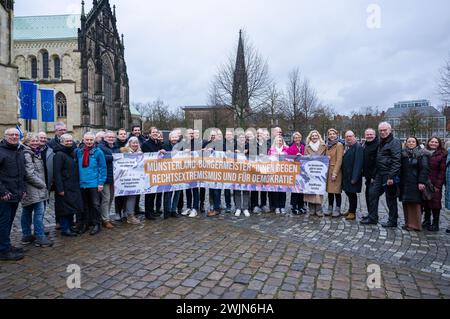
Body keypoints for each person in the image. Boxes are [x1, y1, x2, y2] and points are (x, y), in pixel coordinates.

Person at [361, 122, 401, 227]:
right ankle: (372, 217)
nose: (382, 132)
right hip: (379, 173)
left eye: (385, 130)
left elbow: (397, 161)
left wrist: (391, 176)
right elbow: (377, 160)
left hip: (388, 174)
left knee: (390, 198)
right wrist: (374, 175)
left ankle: (392, 220)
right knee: (372, 194)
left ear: (390, 130)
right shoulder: (381, 142)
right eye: (381, 131)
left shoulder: (394, 142)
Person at [20, 133, 52, 247]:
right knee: (39, 213)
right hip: (34, 188)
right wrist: (42, 185)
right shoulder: (27, 154)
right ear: (26, 142)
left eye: (36, 141)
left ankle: (27, 235)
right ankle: (40, 237)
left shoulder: (33, 152)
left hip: (33, 188)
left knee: (27, 211)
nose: (35, 143)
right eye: (31, 141)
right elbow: (29, 174)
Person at [0, 128, 26, 261]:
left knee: (9, 222)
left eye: (16, 134)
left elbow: (22, 174)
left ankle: (6, 245)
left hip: (16, 194)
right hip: (5, 195)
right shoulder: (1, 151)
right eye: (11, 135)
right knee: (3, 223)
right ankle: (3, 251)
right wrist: (2, 192)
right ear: (5, 136)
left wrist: (23, 189)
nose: (14, 136)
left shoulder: (19, 150)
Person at [75, 132, 107, 235]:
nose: (89, 142)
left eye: (91, 140)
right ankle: (85, 223)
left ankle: (97, 224)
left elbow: (103, 168)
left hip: (94, 183)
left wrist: (101, 183)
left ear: (94, 141)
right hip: (82, 183)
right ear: (83, 140)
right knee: (84, 205)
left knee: (95, 205)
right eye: (87, 140)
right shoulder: (79, 152)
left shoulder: (98, 152)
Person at [53, 134, 82, 237]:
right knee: (64, 209)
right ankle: (65, 229)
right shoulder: (59, 154)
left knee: (71, 208)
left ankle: (70, 227)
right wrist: (60, 188)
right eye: (67, 141)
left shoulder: (71, 152)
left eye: (70, 141)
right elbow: (57, 173)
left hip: (72, 185)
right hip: (64, 186)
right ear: (61, 142)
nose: (69, 143)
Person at [399, 137, 429, 231]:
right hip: (405, 182)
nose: (411, 143)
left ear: (416, 143)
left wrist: (421, 181)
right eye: (409, 141)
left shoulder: (421, 154)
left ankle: (415, 225)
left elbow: (424, 169)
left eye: (413, 141)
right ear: (406, 143)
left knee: (415, 203)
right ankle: (408, 223)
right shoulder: (403, 154)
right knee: (406, 202)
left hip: (415, 182)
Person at [423, 137, 447, 232]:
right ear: (428, 142)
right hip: (425, 181)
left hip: (435, 182)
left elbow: (442, 171)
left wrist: (438, 185)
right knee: (426, 202)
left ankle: (435, 223)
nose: (433, 143)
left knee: (435, 203)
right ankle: (426, 221)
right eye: (432, 141)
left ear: (439, 143)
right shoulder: (424, 152)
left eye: (436, 142)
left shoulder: (442, 154)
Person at [341, 131, 364, 221]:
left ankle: (352, 213)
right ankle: (350, 210)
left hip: (353, 176)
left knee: (352, 194)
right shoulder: (349, 147)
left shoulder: (358, 147)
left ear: (354, 137)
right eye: (347, 136)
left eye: (350, 136)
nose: (348, 138)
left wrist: (355, 177)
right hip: (347, 176)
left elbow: (358, 163)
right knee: (349, 193)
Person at [98, 131, 118, 229]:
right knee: (105, 199)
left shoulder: (116, 147)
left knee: (110, 198)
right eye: (108, 137)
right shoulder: (100, 147)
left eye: (112, 137)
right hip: (105, 177)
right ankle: (105, 219)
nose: (111, 138)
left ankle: (107, 217)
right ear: (104, 138)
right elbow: (100, 158)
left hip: (114, 177)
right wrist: (113, 157)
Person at [142, 127, 164, 220]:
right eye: (153, 132)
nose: (155, 133)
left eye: (156, 132)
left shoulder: (158, 143)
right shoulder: (145, 144)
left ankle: (152, 211)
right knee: (149, 194)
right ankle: (148, 213)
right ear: (150, 134)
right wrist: (157, 154)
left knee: (154, 192)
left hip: (157, 171)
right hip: (148, 171)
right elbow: (146, 157)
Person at [120, 137, 143, 224]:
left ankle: (127, 214)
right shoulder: (124, 151)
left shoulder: (140, 153)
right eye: (133, 143)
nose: (135, 144)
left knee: (131, 196)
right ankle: (130, 216)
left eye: (136, 143)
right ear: (129, 143)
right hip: (126, 179)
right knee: (130, 197)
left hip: (136, 179)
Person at [304, 130, 327, 216]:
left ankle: (318, 209)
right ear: (310, 137)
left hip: (320, 171)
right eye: (312, 136)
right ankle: (311, 209)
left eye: (316, 135)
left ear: (318, 136)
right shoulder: (307, 146)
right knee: (310, 190)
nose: (314, 137)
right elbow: (304, 158)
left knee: (318, 190)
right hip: (309, 171)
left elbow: (326, 157)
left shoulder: (323, 146)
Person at [162, 131, 183, 219]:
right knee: (168, 192)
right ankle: (167, 211)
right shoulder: (164, 145)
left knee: (177, 192)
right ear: (170, 138)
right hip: (168, 172)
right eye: (172, 137)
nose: (174, 139)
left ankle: (174, 210)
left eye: (175, 137)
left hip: (179, 172)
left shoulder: (181, 146)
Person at [251, 129, 271, 214]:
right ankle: (255, 205)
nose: (259, 134)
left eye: (261, 133)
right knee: (254, 187)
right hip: (254, 168)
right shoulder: (252, 144)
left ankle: (263, 204)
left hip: (264, 168)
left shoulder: (268, 144)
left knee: (263, 187)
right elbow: (249, 155)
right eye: (258, 133)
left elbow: (271, 155)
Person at [325, 128, 344, 217]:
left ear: (336, 135)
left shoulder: (339, 145)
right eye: (330, 134)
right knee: (329, 191)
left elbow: (339, 160)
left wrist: (335, 173)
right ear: (328, 135)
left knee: (336, 191)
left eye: (333, 134)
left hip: (335, 171)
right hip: (328, 171)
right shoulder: (327, 145)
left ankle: (337, 208)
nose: (332, 135)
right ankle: (330, 207)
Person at [268, 135, 289, 215]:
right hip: (274, 173)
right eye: (277, 140)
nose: (279, 142)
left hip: (284, 173)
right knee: (275, 190)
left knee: (283, 191)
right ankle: (277, 207)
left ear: (282, 141)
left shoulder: (286, 149)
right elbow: (268, 160)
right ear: (275, 141)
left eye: (280, 140)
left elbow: (290, 159)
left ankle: (282, 206)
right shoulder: (271, 149)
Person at [287, 132, 306, 215]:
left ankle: (301, 205)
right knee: (295, 190)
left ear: (300, 138)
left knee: (301, 189)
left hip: (302, 171)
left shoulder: (303, 147)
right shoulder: (290, 148)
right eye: (295, 138)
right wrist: (295, 156)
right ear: (293, 139)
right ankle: (294, 206)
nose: (297, 139)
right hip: (294, 171)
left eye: (298, 137)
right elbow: (287, 159)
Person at [362, 129, 380, 213]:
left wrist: (374, 176)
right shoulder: (365, 144)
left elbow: (378, 161)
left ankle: (372, 217)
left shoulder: (378, 144)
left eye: (371, 134)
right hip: (368, 176)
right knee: (368, 195)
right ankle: (370, 214)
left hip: (374, 176)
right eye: (367, 134)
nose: (369, 136)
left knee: (372, 196)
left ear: (375, 135)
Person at [234, 132, 251, 217]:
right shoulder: (233, 147)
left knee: (245, 190)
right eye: (240, 137)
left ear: (245, 139)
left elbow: (254, 157)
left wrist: (248, 152)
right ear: (237, 139)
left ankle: (245, 208)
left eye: (243, 138)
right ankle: (238, 208)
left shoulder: (249, 147)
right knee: (237, 190)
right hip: (236, 171)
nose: (241, 139)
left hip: (246, 172)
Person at [113, 129, 129, 221]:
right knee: (118, 194)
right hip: (118, 173)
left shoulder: (129, 142)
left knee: (127, 193)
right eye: (121, 134)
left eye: (124, 134)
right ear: (118, 135)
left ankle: (125, 211)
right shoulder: (115, 144)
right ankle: (117, 212)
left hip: (128, 172)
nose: (123, 135)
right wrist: (121, 150)